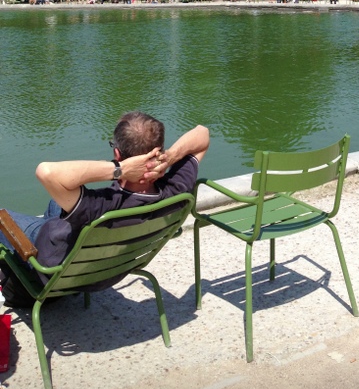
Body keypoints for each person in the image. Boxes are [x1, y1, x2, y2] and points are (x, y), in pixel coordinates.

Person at [0, 112, 209, 304]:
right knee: (58, 202)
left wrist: (120, 170)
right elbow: (202, 134)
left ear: (117, 154)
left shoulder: (100, 207)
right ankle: (55, 224)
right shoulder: (176, 190)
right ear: (158, 152)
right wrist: (170, 158)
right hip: (108, 271)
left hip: (55, 273)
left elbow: (46, 172)